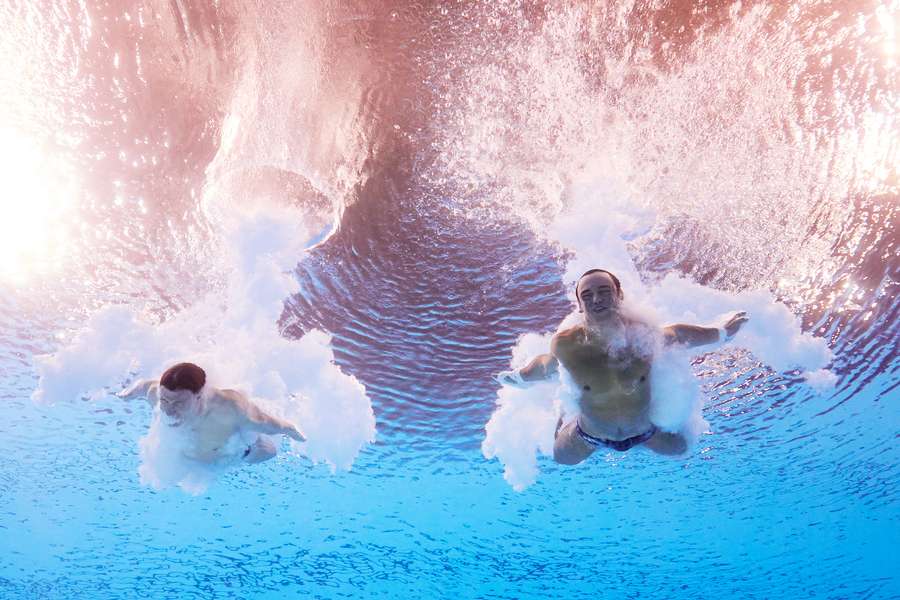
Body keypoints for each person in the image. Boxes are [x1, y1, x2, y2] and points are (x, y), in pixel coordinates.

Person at [495, 269, 749, 465]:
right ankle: (565, 409)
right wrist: (521, 377)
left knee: (681, 448)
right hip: (589, 434)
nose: (596, 299)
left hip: (645, 432)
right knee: (561, 458)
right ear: (580, 306)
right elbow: (547, 365)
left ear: (619, 295)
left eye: (604, 291)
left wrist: (722, 332)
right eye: (587, 295)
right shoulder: (568, 344)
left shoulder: (642, 335)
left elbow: (680, 334)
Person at [117, 362, 304, 464]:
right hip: (195, 454)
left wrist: (292, 430)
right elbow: (143, 386)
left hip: (238, 449)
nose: (169, 409)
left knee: (268, 452)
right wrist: (129, 394)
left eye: (179, 403)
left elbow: (272, 424)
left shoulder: (229, 409)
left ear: (199, 396)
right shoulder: (156, 395)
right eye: (165, 400)